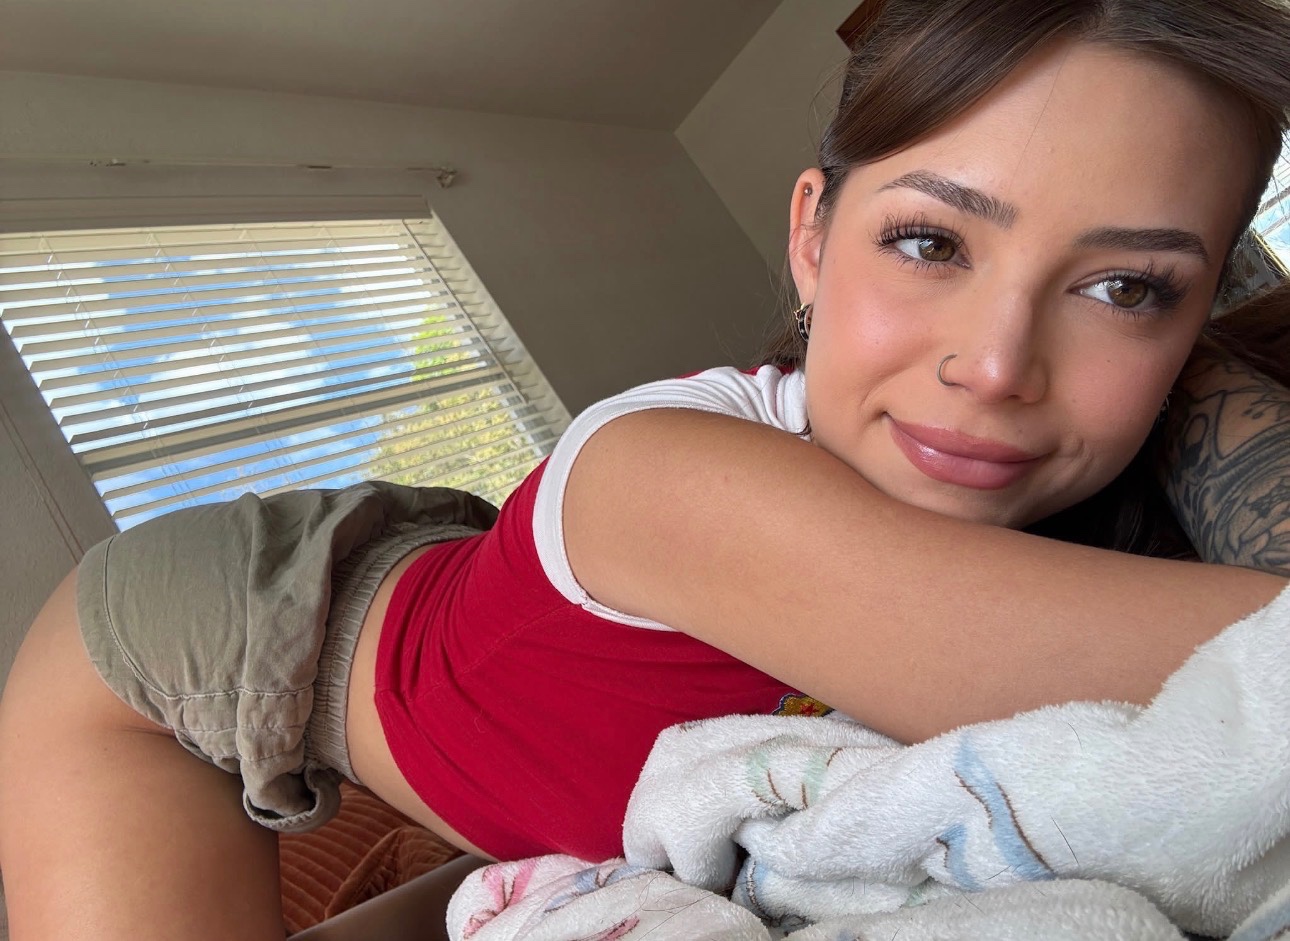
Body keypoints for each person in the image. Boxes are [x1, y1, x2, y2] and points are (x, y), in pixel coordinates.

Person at [3, 1, 1290, 939]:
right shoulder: (671, 484)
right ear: (812, 236)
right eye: (930, 242)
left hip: (496, 618)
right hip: (195, 646)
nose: (997, 367)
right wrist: (1169, 337)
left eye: (1129, 286)